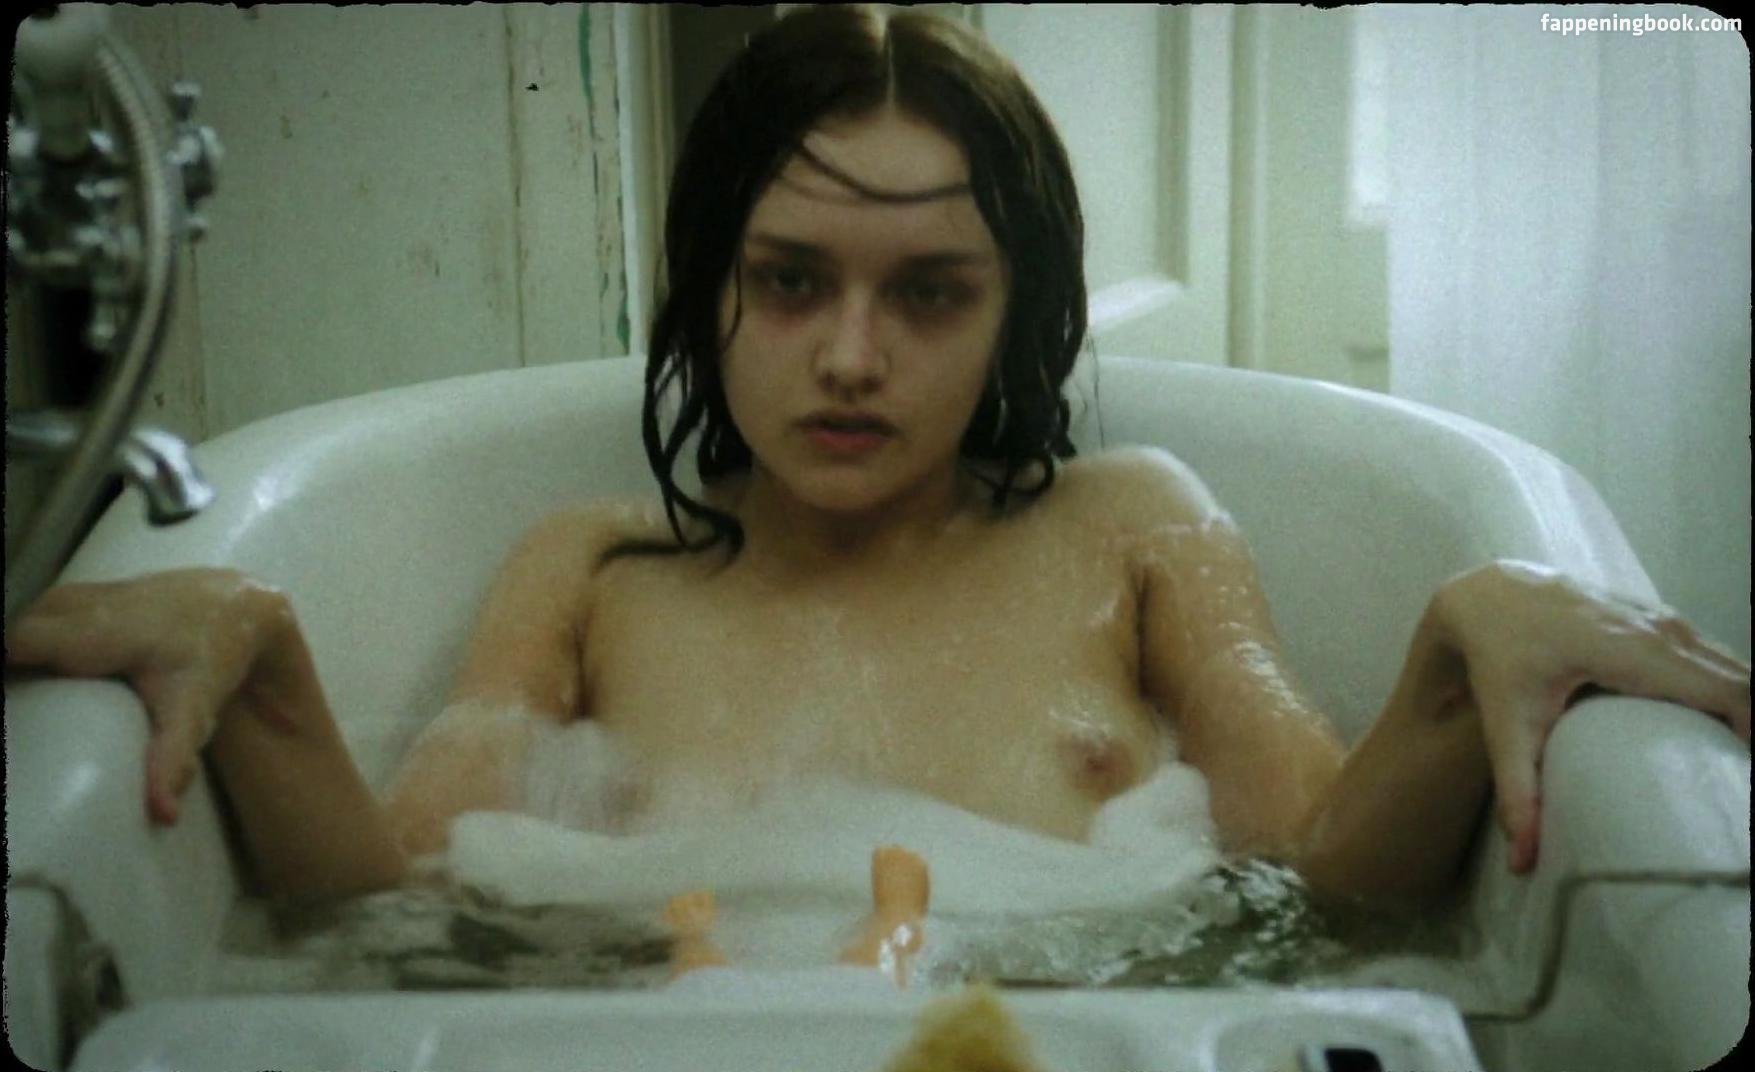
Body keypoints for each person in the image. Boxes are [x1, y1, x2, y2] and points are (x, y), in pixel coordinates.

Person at [6, 6, 1749, 932]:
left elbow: (1325, 868)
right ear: (708, 290)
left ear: (1018, 317)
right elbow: (381, 910)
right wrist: (258, 656)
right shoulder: (594, 568)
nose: (851, 356)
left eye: (929, 294)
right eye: (790, 283)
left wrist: (1464, 633)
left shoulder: (1131, 528)